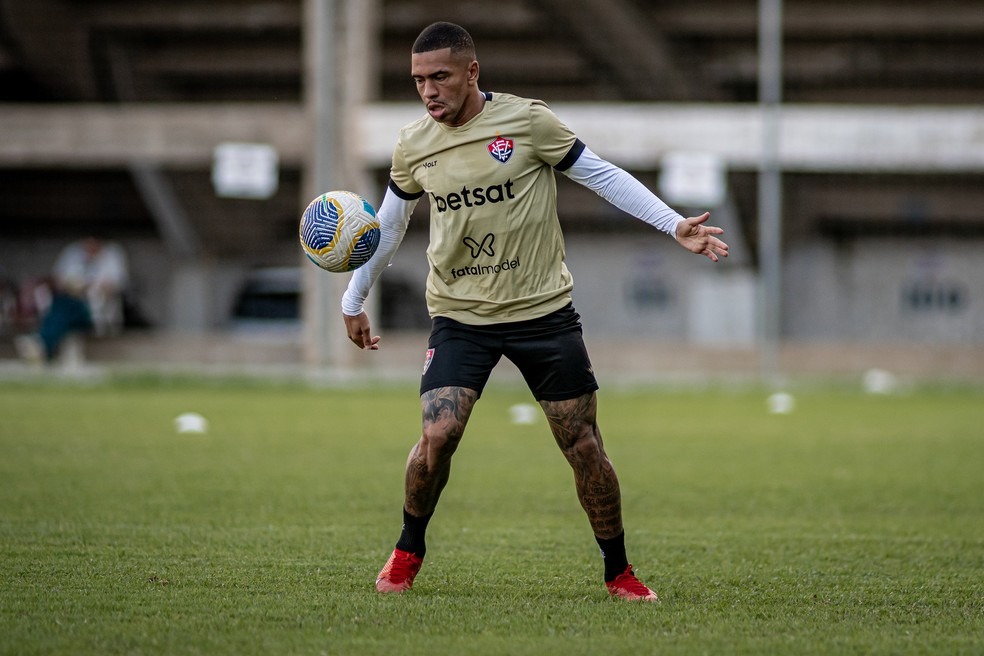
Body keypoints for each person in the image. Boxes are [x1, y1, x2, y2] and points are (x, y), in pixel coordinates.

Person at [341, 22, 729, 601]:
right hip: (460, 315)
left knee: (583, 445)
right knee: (439, 433)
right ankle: (407, 550)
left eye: (440, 77)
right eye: (419, 80)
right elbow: (389, 226)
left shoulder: (526, 122)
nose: (429, 91)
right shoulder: (414, 144)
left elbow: (602, 176)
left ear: (472, 72)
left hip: (542, 311)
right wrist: (353, 298)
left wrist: (673, 224)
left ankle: (618, 570)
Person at [15, 235, 129, 363]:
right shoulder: (73, 252)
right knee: (62, 305)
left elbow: (115, 285)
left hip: (93, 311)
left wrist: (88, 286)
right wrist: (71, 285)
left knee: (65, 309)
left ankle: (40, 343)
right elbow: (57, 280)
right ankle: (42, 346)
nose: (89, 248)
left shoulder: (112, 255)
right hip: (69, 304)